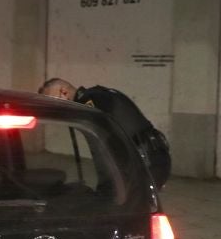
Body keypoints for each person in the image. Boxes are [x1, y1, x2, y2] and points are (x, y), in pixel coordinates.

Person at [39, 77, 171, 188]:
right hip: (151, 157)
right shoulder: (97, 94)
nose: (55, 107)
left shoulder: (89, 103)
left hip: (145, 163)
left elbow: (103, 147)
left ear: (64, 92)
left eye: (53, 100)